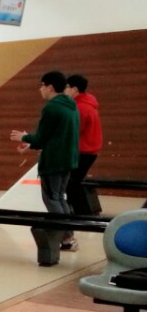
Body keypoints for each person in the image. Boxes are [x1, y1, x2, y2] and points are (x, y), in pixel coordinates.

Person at [10, 71, 80, 250]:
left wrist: (24, 137)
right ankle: (70, 236)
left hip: (54, 161)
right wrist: (30, 144)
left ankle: (67, 237)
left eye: (41, 85)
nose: (40, 89)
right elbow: (54, 136)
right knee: (60, 198)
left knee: (52, 199)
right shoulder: (71, 105)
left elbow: (41, 138)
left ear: (50, 87)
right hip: (68, 159)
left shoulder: (51, 107)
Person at [63, 74, 102, 238]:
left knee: (71, 183)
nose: (64, 90)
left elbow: (72, 131)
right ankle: (82, 213)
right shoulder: (86, 104)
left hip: (83, 151)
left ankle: (83, 215)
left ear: (74, 89)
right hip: (87, 151)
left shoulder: (80, 108)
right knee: (73, 183)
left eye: (66, 87)